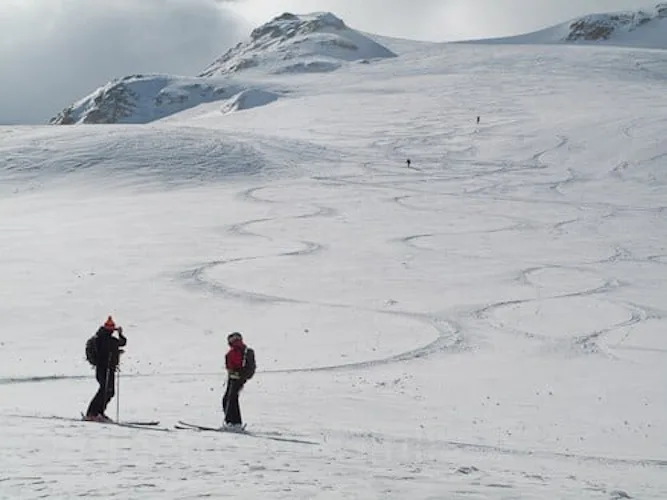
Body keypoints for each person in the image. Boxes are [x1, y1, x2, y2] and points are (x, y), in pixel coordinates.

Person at [84, 316, 127, 422]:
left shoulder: (106, 338)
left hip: (109, 369)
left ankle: (99, 412)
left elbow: (121, 343)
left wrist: (120, 335)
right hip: (103, 368)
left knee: (109, 391)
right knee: (105, 390)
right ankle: (93, 413)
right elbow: (120, 343)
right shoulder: (102, 338)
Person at [222, 332, 255, 429]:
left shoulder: (244, 352)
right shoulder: (236, 352)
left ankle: (234, 423)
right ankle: (233, 422)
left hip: (237, 378)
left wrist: (240, 375)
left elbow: (249, 367)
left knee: (230, 399)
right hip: (234, 378)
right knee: (229, 399)